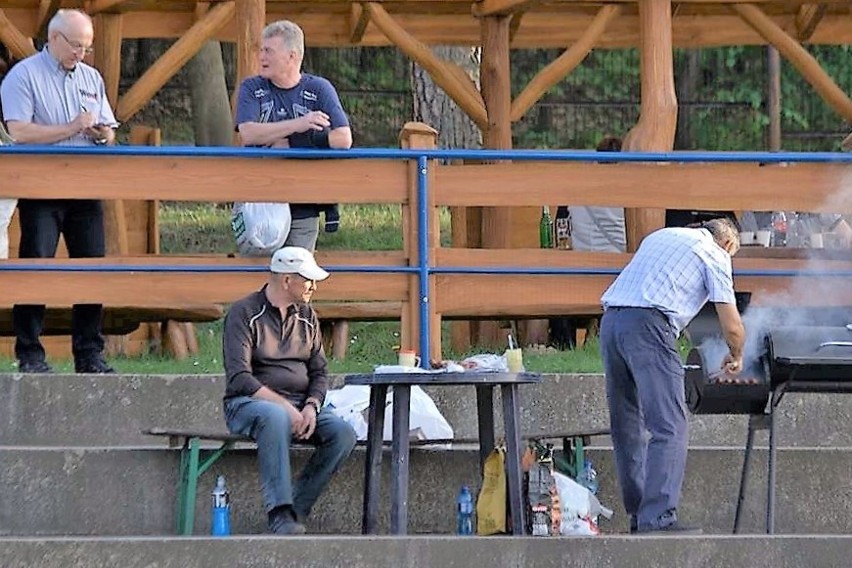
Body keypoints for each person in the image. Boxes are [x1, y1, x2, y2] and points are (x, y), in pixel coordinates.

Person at [599, 217, 745, 534]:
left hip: (611, 323)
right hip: (649, 326)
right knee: (669, 425)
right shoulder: (716, 253)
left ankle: (640, 515)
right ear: (729, 243)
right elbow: (732, 325)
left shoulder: (663, 236)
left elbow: (674, 296)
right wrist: (736, 354)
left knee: (627, 426)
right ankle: (659, 518)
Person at [0, 9, 118, 374]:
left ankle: (89, 353)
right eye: (76, 46)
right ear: (54, 39)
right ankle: (30, 353)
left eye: (87, 47)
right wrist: (69, 127)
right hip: (42, 187)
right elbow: (18, 131)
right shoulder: (23, 76)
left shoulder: (91, 77)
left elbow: (110, 128)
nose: (81, 54)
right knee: (36, 266)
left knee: (91, 267)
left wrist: (103, 134)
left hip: (85, 185)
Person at [222, 246, 356, 535]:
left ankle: (296, 508)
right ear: (286, 280)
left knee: (343, 433)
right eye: (307, 279)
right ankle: (278, 511)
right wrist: (286, 407)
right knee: (275, 417)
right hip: (248, 403)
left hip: (299, 404)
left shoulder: (308, 316)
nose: (314, 286)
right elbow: (239, 378)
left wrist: (310, 406)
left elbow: (319, 371)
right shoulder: (243, 313)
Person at [234, 20, 353, 252]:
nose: (261, 57)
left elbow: (343, 138)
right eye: (261, 50)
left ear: (292, 56)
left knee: (295, 276)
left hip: (303, 201)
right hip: (258, 199)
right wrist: (299, 124)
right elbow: (248, 133)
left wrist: (298, 141)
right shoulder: (251, 87)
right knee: (254, 276)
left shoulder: (319, 88)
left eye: (269, 51)